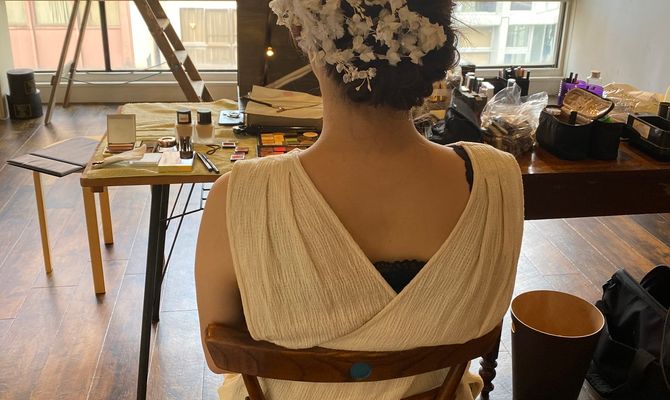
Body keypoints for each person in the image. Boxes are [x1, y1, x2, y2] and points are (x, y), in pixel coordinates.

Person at [195, 0, 524, 399]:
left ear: (308, 37)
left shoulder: (238, 198)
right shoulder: (496, 181)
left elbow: (220, 358)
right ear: (431, 46)